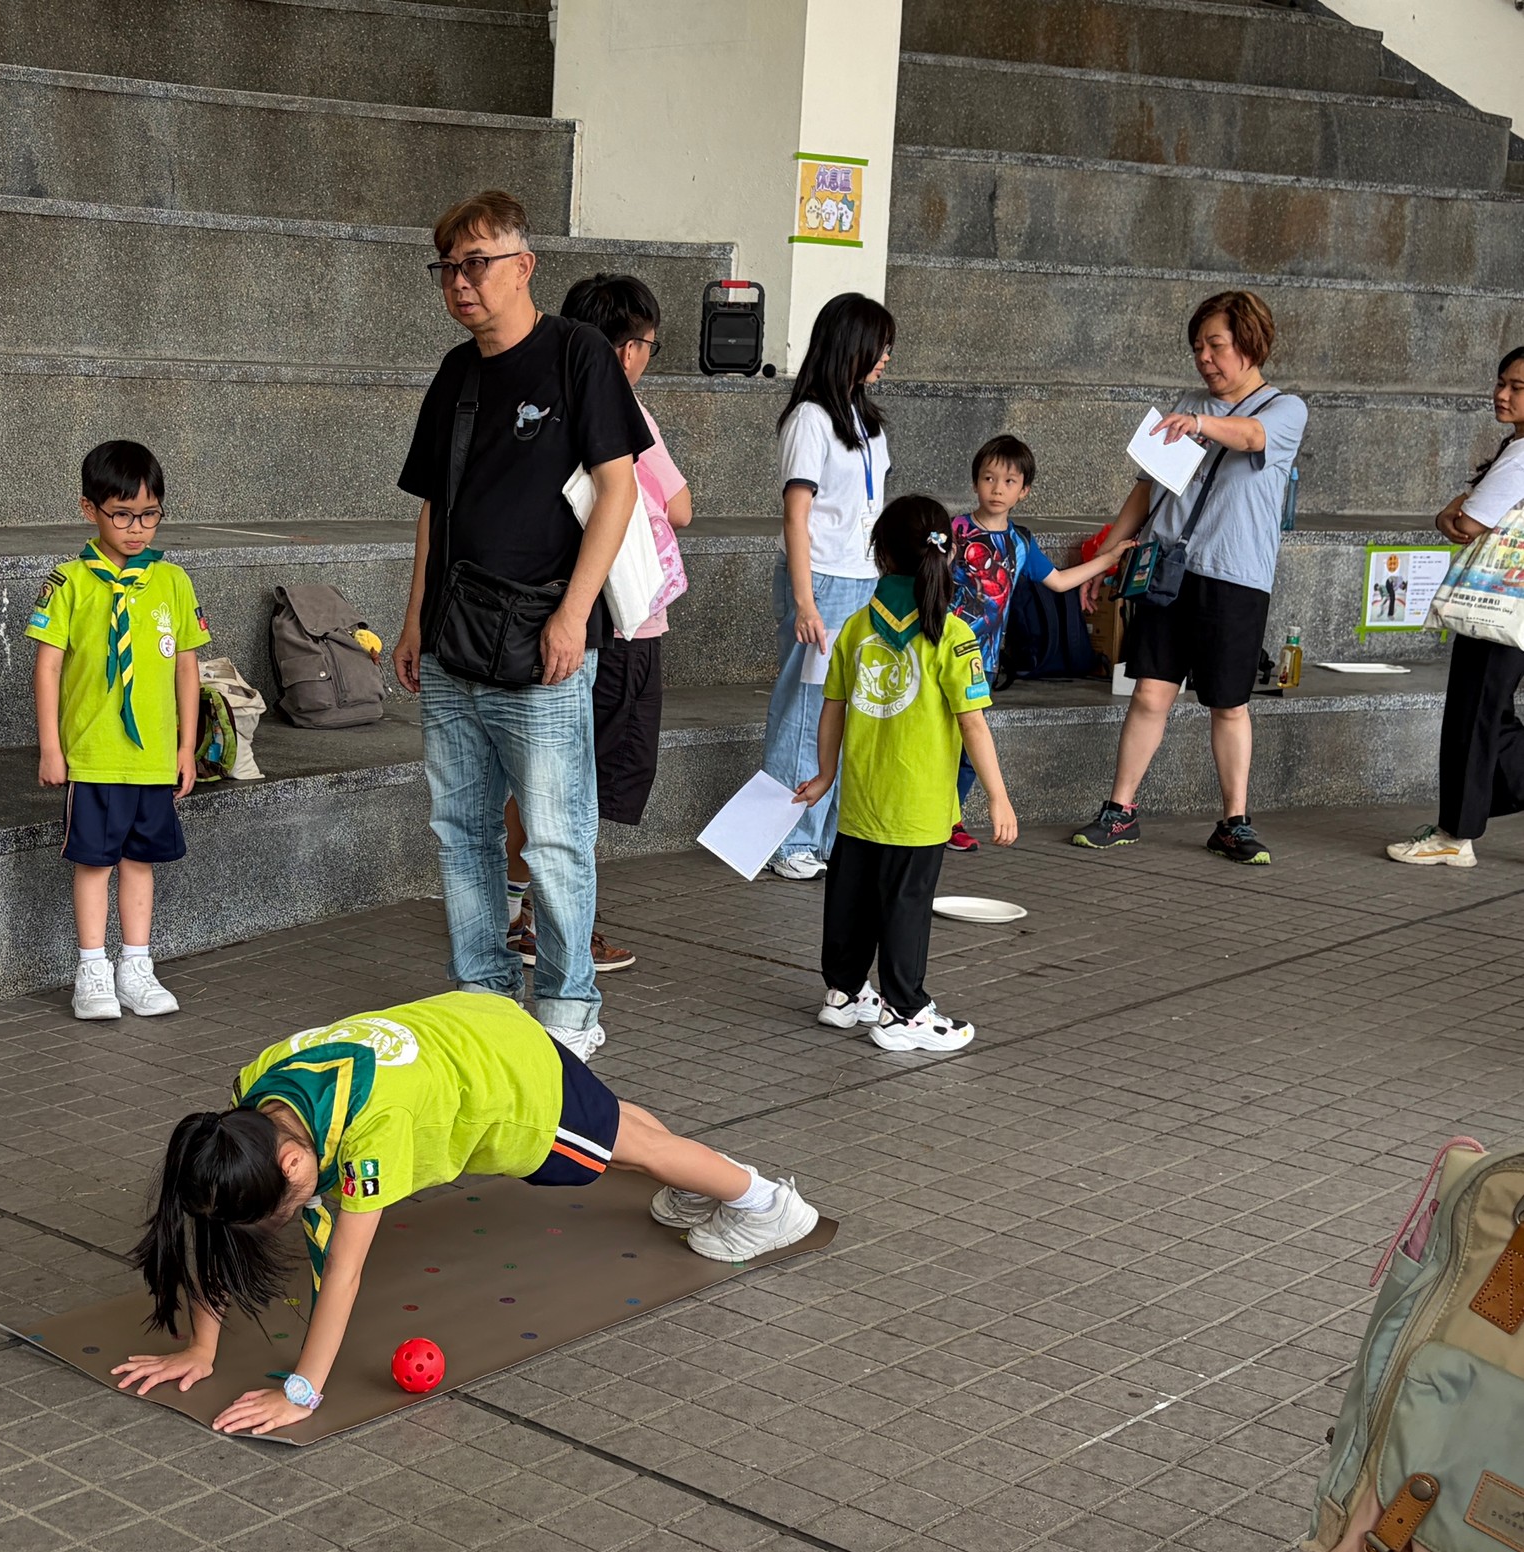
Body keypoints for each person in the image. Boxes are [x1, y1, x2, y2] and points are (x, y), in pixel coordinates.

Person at [107, 992, 819, 1434]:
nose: (273, 1226)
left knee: (620, 1150)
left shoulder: (370, 1135)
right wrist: (201, 1349)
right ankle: (702, 1183)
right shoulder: (252, 1102)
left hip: (505, 1084)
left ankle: (766, 1204)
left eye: (276, 1213)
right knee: (616, 1128)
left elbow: (344, 1270)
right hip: (464, 1024)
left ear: (294, 1165)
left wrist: (302, 1393)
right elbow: (216, 1224)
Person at [391, 191, 652, 1063]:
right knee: (459, 830)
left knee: (556, 837)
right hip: (453, 642)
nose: (460, 284)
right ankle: (483, 994)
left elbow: (617, 489)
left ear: (523, 266)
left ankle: (570, 1007)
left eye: (476, 264)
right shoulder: (455, 373)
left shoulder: (576, 354)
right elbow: (435, 507)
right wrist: (413, 618)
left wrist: (574, 613)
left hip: (543, 640)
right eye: (447, 269)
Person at [1070, 290, 1308, 865]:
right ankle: (1120, 811)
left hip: (1235, 576)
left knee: (1228, 702)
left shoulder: (1285, 409)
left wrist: (1200, 423)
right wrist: (1106, 557)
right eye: (1198, 346)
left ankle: (1234, 822)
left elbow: (1250, 438)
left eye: (1216, 345)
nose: (1204, 357)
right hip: (1167, 568)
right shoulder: (1187, 403)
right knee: (1150, 691)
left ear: (1250, 344)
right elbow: (1146, 491)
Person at [503, 272, 694, 974]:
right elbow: (679, 507)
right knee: (580, 788)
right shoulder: (624, 411)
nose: (644, 358)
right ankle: (559, 927)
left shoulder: (537, 402)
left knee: (543, 775)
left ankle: (513, 909)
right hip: (620, 621)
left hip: (555, 612)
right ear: (624, 350)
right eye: (646, 345)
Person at [794, 496, 1018, 1053]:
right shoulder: (953, 635)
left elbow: (832, 708)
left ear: (880, 555)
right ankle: (905, 1013)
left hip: (860, 800)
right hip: (917, 809)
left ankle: (843, 994)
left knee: (850, 900)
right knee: (905, 906)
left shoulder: (855, 628)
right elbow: (973, 724)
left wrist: (824, 776)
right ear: (948, 555)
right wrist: (998, 796)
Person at [30, 441, 209, 1018]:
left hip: (153, 754)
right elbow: (48, 667)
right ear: (90, 509)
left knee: (141, 859)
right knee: (95, 861)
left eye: (149, 515)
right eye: (123, 515)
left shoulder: (173, 582)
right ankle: (92, 970)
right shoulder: (69, 582)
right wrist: (51, 747)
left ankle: (136, 965)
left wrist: (186, 746)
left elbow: (187, 667)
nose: (137, 529)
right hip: (94, 752)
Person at [761, 294, 896, 880]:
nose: (886, 357)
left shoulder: (868, 421)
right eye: (880, 346)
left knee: (848, 707)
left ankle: (827, 836)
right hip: (820, 580)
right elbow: (797, 516)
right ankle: (787, 840)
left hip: (865, 578)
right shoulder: (810, 419)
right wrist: (804, 602)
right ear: (851, 345)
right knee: (806, 709)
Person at [946, 435, 1133, 850]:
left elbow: (1061, 581)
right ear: (975, 482)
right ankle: (929, 815)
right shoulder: (954, 531)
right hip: (941, 655)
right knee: (937, 738)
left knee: (970, 748)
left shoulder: (1021, 543)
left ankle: (949, 819)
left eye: (1009, 481)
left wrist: (1108, 559)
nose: (997, 488)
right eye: (988, 478)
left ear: (1024, 491)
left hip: (983, 663)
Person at [1387, 346, 1524, 868]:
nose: (1501, 394)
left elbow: (1465, 525)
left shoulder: (1521, 455)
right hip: (1511, 604)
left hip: (1498, 603)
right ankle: (1455, 829)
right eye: (1500, 382)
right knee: (1493, 715)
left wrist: (1449, 510)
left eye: (1516, 387)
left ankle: (1455, 836)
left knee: (1475, 713)